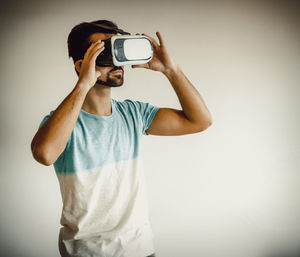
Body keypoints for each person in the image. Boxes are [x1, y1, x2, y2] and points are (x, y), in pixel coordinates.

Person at [30, 19, 213, 257]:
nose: (116, 60)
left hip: (140, 248)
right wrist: (83, 84)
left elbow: (200, 121)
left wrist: (171, 70)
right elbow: (45, 154)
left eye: (116, 48)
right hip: (86, 252)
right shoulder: (62, 122)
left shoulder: (134, 114)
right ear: (81, 64)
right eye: (104, 51)